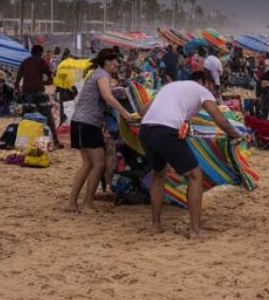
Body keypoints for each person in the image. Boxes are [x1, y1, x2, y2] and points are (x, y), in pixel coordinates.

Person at [135, 70, 245, 238]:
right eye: (210, 86)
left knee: (158, 174)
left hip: (146, 130)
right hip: (165, 131)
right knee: (195, 175)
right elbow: (218, 118)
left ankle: (156, 226)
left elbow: (143, 111)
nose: (212, 90)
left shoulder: (169, 87)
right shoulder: (202, 91)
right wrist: (236, 134)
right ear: (203, 82)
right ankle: (195, 230)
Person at [68, 48, 138, 212]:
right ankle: (87, 204)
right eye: (115, 61)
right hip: (87, 123)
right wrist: (125, 113)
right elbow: (107, 96)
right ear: (106, 61)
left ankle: (72, 203)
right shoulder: (102, 75)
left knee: (88, 164)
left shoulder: (97, 74)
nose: (117, 64)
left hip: (81, 122)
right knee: (98, 164)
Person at [17, 44, 60, 147]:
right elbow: (50, 79)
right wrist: (43, 83)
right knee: (48, 118)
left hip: (27, 93)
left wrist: (16, 88)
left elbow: (18, 76)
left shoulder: (25, 61)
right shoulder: (42, 62)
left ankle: (23, 143)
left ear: (31, 52)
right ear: (41, 53)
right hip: (39, 93)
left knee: (26, 118)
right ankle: (55, 142)